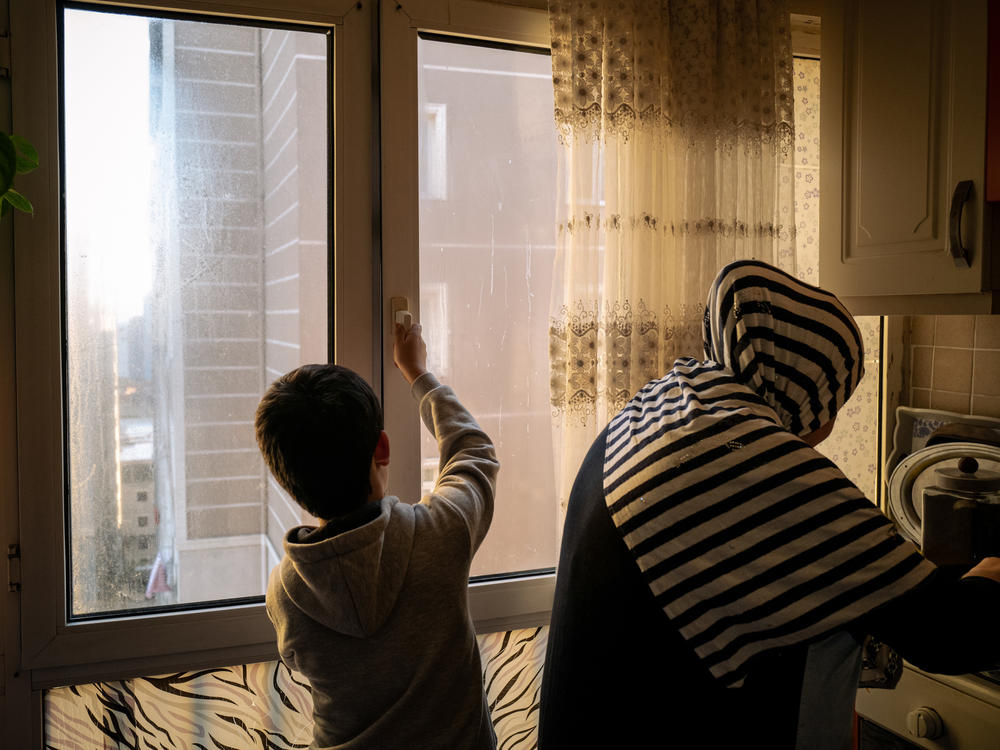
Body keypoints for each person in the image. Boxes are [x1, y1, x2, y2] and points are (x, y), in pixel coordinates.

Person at [538, 260, 1000, 750]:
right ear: (808, 383)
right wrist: (988, 575)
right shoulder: (749, 454)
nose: (829, 426)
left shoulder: (662, 407)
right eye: (836, 399)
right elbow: (949, 633)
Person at [257, 322, 499, 750]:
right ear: (382, 448)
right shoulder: (440, 535)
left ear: (287, 481)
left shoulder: (285, 593)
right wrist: (417, 373)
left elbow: (298, 662)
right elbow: (473, 451)